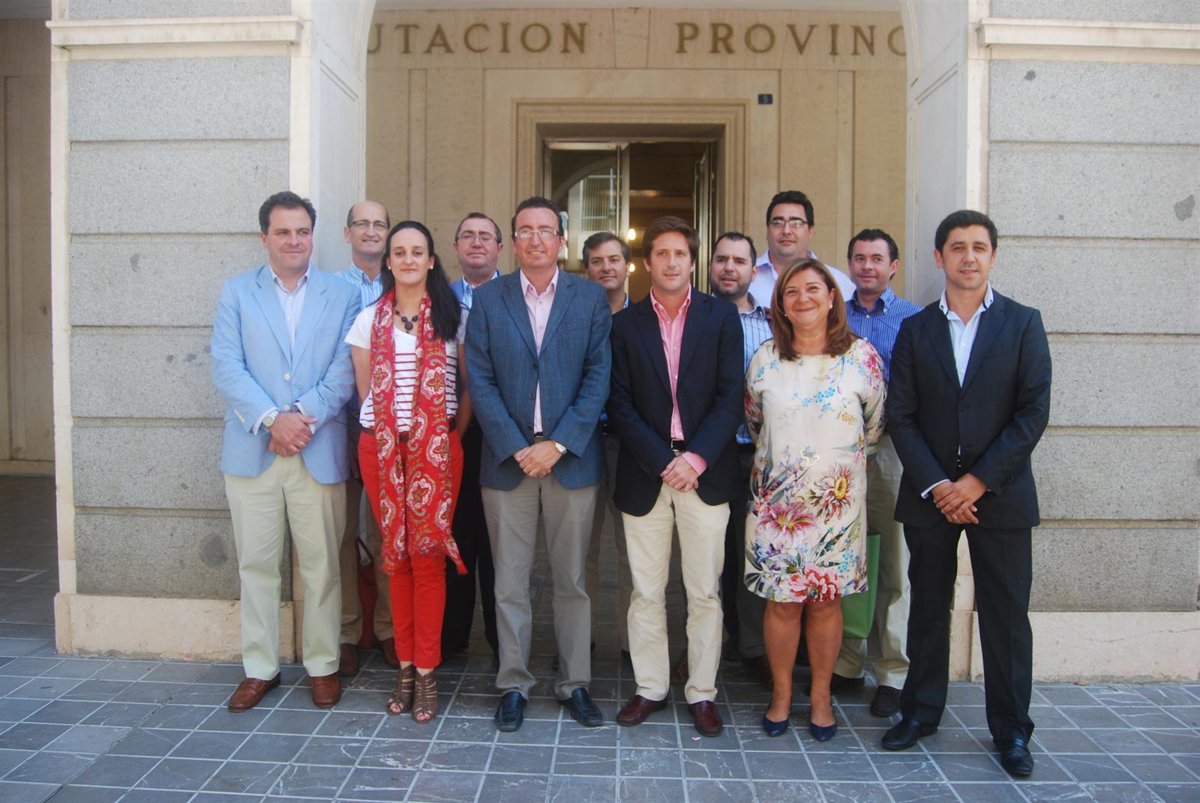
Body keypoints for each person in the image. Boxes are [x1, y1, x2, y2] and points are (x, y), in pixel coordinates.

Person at [881, 210, 1051, 779]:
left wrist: (976, 483)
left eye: (979, 247)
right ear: (940, 258)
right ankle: (919, 712)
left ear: (993, 256)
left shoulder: (1023, 324)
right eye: (957, 247)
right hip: (930, 496)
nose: (969, 256)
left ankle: (1012, 730)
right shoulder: (916, 329)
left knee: (1006, 617)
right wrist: (939, 486)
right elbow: (902, 416)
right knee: (927, 607)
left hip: (1000, 495)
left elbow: (1032, 414)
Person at [465, 196, 612, 733]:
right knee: (510, 582)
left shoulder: (589, 298)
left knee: (572, 580)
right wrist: (516, 444)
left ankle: (575, 683)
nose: (535, 239)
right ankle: (513, 684)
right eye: (525, 230)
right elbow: (479, 379)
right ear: (513, 241)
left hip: (570, 461)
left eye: (545, 230)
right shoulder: (489, 299)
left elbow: (598, 376)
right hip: (508, 462)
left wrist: (559, 443)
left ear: (561, 241)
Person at [211, 191, 359, 712]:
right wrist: (274, 420)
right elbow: (226, 366)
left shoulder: (343, 295)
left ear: (313, 236)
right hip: (254, 450)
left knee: (322, 566)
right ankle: (260, 667)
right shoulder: (237, 292)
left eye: (302, 231)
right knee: (256, 566)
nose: (294, 240)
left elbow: (345, 369)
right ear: (264, 238)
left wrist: (300, 418)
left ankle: (322, 665)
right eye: (283, 232)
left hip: (317, 450)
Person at [609, 216, 743, 738]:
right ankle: (650, 687)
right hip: (647, 474)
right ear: (647, 263)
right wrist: (662, 460)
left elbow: (731, 397)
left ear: (693, 261)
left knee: (704, 592)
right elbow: (619, 403)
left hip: (705, 475)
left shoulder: (720, 317)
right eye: (661, 253)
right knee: (646, 591)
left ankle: (702, 692)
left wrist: (695, 459)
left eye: (680, 254)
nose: (670, 262)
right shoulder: (625, 324)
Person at [744, 258, 885, 741]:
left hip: (836, 507)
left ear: (831, 299)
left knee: (826, 603)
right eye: (791, 291)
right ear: (780, 305)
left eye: (812, 289)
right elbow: (754, 423)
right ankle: (782, 695)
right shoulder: (765, 359)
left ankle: (821, 697)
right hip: (777, 508)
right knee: (782, 604)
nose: (802, 298)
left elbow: (874, 427)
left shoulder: (862, 358)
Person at [346, 220, 470, 725]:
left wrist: (444, 436)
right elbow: (366, 393)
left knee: (428, 560)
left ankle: (427, 671)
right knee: (394, 558)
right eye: (399, 252)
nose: (408, 259)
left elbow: (466, 389)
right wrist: (395, 436)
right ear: (389, 261)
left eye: (417, 251)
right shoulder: (366, 321)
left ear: (431, 260)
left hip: (438, 451)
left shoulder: (455, 318)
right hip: (381, 451)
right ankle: (403, 668)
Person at [832, 229, 921, 716]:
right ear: (849, 265)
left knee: (892, 562)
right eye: (859, 258)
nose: (867, 266)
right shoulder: (834, 314)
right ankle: (847, 661)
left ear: (893, 266)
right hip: (838, 453)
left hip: (891, 450)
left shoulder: (914, 319)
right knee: (846, 556)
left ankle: (892, 671)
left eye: (877, 258)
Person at [708, 231, 773, 689]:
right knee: (706, 556)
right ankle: (704, 647)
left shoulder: (774, 323)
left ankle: (753, 647)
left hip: (758, 454)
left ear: (754, 269)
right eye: (722, 259)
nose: (729, 267)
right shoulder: (695, 315)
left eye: (739, 260)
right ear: (711, 266)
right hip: (709, 454)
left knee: (753, 552)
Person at [335, 200, 398, 676]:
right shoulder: (330, 289)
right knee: (341, 531)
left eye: (379, 224)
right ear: (347, 233)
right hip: (338, 425)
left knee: (386, 531)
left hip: (392, 431)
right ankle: (346, 631)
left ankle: (390, 628)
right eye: (362, 223)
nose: (371, 231)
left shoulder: (404, 285)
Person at [443, 212, 503, 659]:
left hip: (503, 434)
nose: (476, 243)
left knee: (500, 542)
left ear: (500, 247)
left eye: (485, 236)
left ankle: (504, 643)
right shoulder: (438, 299)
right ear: (456, 247)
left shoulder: (516, 296)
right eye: (468, 236)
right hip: (452, 435)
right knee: (457, 533)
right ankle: (453, 635)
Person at [581, 231, 632, 657]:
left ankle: (634, 643)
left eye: (613, 259)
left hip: (628, 446)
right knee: (582, 549)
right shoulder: (575, 317)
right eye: (597, 261)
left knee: (633, 550)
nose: (606, 268)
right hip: (582, 445)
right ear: (586, 270)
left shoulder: (645, 318)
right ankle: (580, 640)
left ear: (627, 266)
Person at [749, 190, 854, 305]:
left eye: (796, 223)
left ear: (810, 231)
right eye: (778, 223)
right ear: (767, 231)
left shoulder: (837, 282)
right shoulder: (745, 278)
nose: (786, 231)